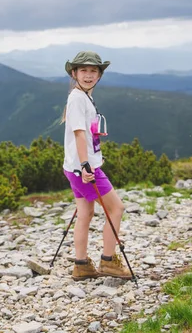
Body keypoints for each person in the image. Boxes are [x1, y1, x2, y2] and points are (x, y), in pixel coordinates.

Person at [61, 50, 131, 281]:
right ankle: (109, 261)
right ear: (74, 73)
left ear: (99, 75)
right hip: (84, 169)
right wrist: (86, 166)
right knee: (116, 209)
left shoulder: (81, 96)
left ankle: (81, 265)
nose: (89, 75)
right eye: (84, 70)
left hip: (74, 167)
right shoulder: (79, 98)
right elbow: (79, 134)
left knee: (85, 213)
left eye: (93, 71)